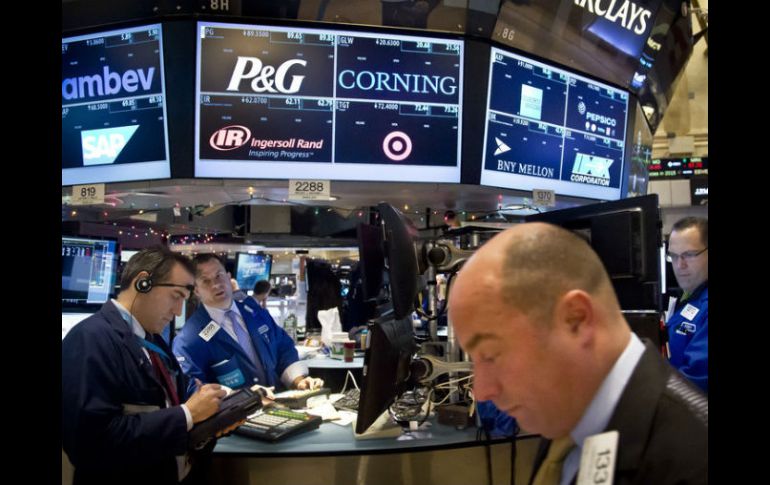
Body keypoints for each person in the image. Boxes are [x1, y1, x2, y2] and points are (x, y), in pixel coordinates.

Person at [448, 222, 707, 485]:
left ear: (576, 319)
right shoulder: (565, 413)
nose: (481, 391)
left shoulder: (693, 459)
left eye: (491, 355)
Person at [62, 247, 229, 485]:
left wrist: (212, 409)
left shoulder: (151, 339)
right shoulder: (90, 338)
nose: (178, 311)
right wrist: (187, 414)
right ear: (143, 283)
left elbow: (174, 394)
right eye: (176, 296)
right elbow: (88, 444)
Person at [173, 253, 323, 393]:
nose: (216, 285)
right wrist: (243, 397)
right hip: (235, 411)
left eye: (219, 276)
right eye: (206, 281)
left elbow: (283, 348)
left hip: (278, 405)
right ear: (196, 290)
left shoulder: (254, 311)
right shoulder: (188, 339)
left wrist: (298, 380)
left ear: (229, 277)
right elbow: (194, 388)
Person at [665, 217, 708, 393]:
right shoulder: (691, 297)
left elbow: (695, 384)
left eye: (689, 255)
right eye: (674, 256)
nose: (679, 265)